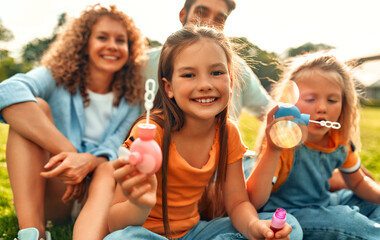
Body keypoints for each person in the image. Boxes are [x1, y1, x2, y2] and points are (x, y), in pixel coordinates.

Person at [105, 26, 300, 240]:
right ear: (168, 87)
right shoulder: (151, 133)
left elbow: (238, 202)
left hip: (195, 234)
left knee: (289, 225)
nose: (205, 85)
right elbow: (115, 225)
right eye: (189, 75)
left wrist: (255, 227)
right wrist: (138, 204)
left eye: (216, 73)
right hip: (146, 234)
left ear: (231, 81)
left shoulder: (228, 133)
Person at [0, 4, 147, 240]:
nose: (112, 46)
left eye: (121, 40)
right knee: (35, 106)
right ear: (84, 43)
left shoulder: (130, 97)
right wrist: (68, 151)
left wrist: (87, 162)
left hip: (99, 195)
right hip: (57, 189)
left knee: (109, 165)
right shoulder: (55, 76)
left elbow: (114, 148)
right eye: (102, 37)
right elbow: (7, 91)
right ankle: (32, 233)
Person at [247, 51, 380, 239]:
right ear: (290, 101)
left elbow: (358, 182)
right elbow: (254, 200)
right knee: (347, 221)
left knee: (373, 204)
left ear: (344, 104)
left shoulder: (339, 142)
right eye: (310, 99)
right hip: (291, 213)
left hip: (324, 202)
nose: (322, 108)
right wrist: (273, 148)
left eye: (332, 100)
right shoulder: (284, 143)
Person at [143, 0, 273, 122]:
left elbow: (269, 111)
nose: (208, 23)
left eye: (219, 19)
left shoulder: (240, 68)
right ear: (183, 15)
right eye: (201, 13)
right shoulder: (143, 64)